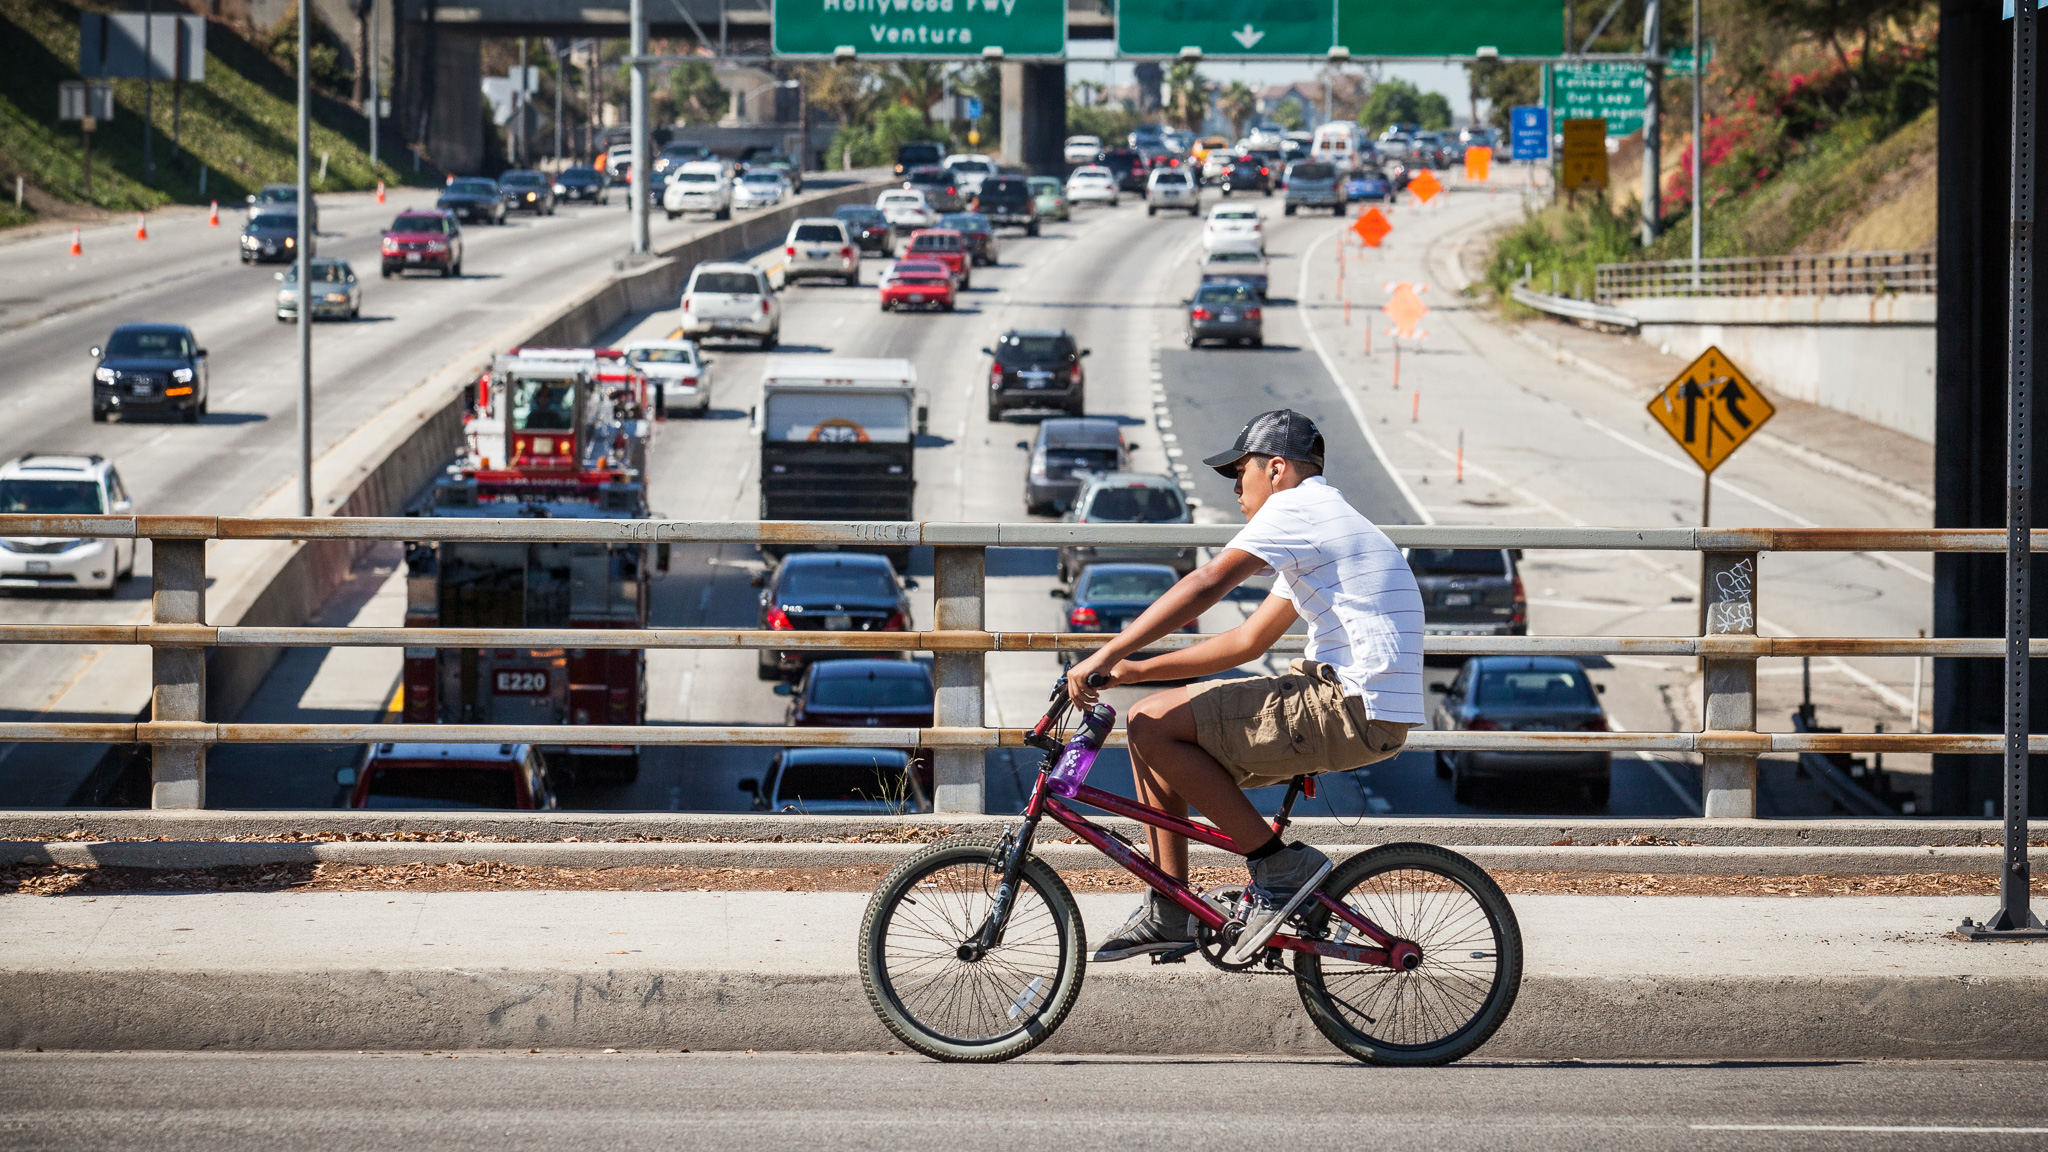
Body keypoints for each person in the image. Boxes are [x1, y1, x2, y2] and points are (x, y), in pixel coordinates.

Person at [1065, 409, 1425, 963]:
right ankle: (1171, 906)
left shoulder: (1296, 508)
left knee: (1151, 723)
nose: (1236, 489)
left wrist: (1108, 651)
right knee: (1154, 726)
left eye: (1240, 473)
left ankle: (1278, 865)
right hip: (1367, 709)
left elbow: (1208, 580)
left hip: (1348, 702)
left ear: (1276, 468)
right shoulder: (1324, 521)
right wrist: (1134, 671)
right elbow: (1247, 641)